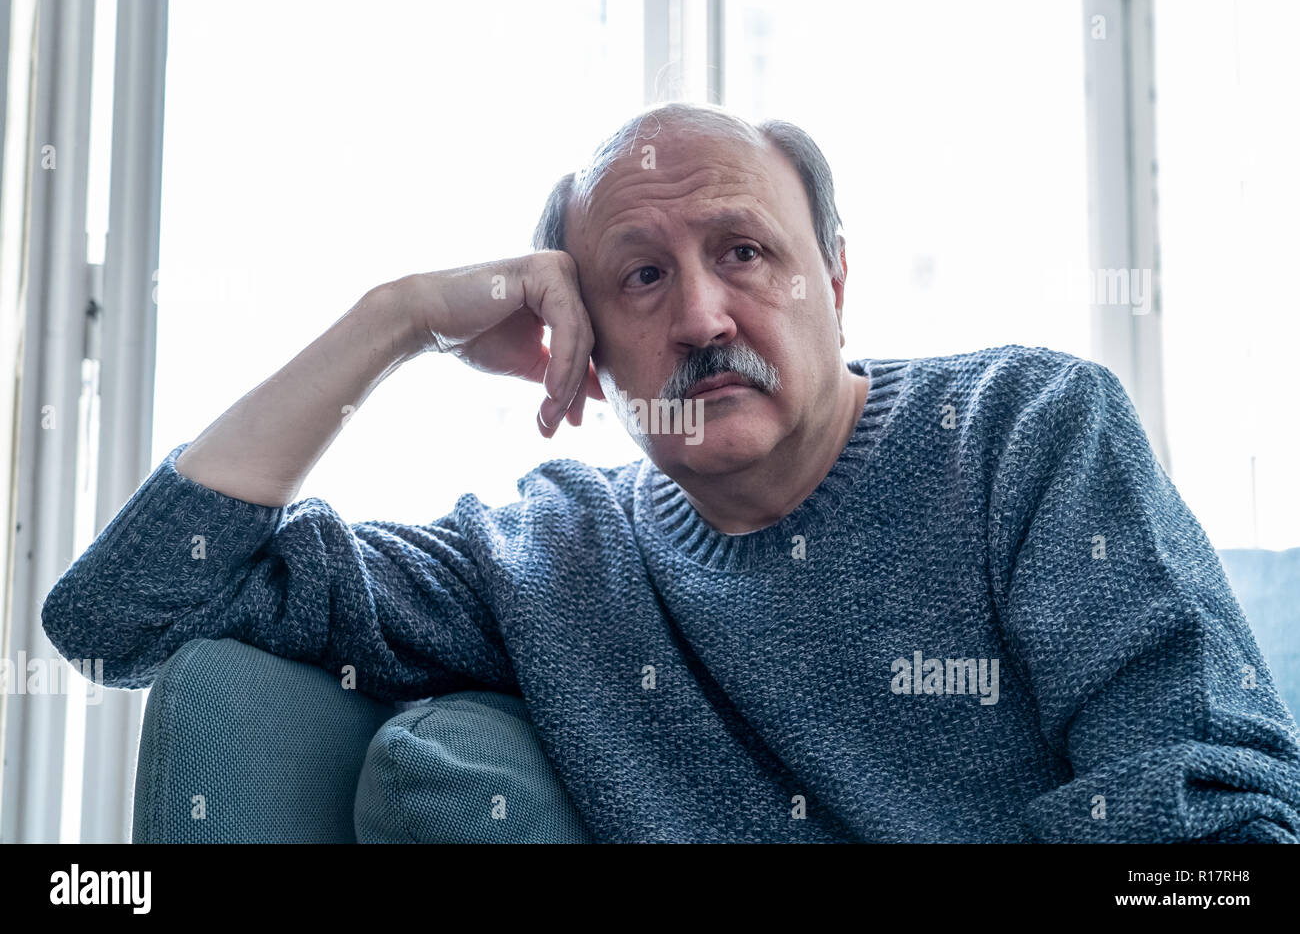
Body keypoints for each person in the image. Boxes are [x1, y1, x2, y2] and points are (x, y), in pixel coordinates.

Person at [42, 102, 1300, 842]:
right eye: (639, 276)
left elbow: (1220, 824)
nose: (700, 315)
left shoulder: (1026, 430)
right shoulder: (538, 559)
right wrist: (399, 319)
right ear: (578, 346)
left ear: (836, 284)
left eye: (745, 251)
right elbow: (117, 618)